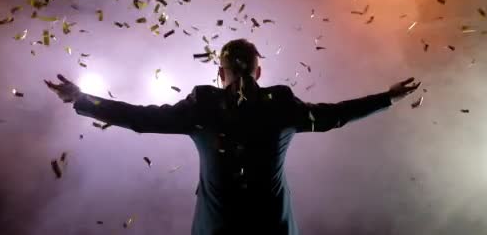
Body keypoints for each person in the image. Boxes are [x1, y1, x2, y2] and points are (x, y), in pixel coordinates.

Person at [45, 38, 420, 235]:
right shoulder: (281, 104)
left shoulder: (203, 105)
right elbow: (335, 116)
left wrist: (84, 100)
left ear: (218, 72)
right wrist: (386, 98)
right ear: (260, 70)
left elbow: (141, 119)